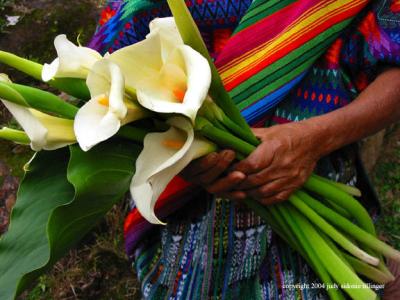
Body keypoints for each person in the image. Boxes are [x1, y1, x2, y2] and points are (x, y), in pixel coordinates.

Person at [90, 0, 400, 299]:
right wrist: (178, 153)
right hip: (190, 223)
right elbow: (99, 77)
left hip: (324, 197)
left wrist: (316, 138)